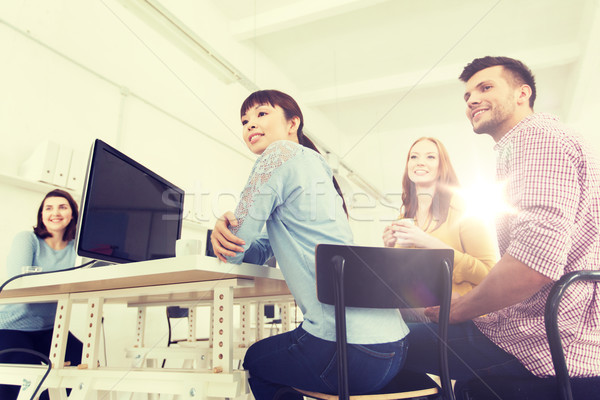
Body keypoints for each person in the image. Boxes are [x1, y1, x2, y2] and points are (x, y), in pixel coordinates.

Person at [401, 56, 600, 392]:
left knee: (373, 345)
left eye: (486, 87)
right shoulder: (526, 146)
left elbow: (533, 265)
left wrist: (457, 311)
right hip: (550, 327)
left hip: (541, 336)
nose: (472, 100)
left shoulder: (537, 139)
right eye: (467, 96)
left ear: (523, 93)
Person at [210, 90, 408, 400]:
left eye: (261, 114)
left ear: (293, 123)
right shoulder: (317, 170)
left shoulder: (277, 155)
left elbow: (234, 249)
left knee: (256, 361)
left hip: (349, 351)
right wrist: (231, 231)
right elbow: (257, 250)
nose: (250, 124)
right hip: (395, 347)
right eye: (245, 120)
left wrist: (221, 232)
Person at [382, 137, 497, 298]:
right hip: (415, 313)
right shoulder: (404, 217)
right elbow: (400, 278)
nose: (420, 162)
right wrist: (389, 249)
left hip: (457, 315)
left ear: (442, 166)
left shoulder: (463, 209)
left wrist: (429, 243)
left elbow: (489, 273)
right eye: (413, 157)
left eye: (430, 156)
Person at [0, 189, 83, 400]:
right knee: (25, 379)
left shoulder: (77, 249)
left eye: (63, 207)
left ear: (72, 214)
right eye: (49, 208)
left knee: (84, 360)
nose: (55, 212)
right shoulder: (28, 239)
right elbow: (19, 283)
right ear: (42, 215)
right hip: (12, 326)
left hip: (49, 329)